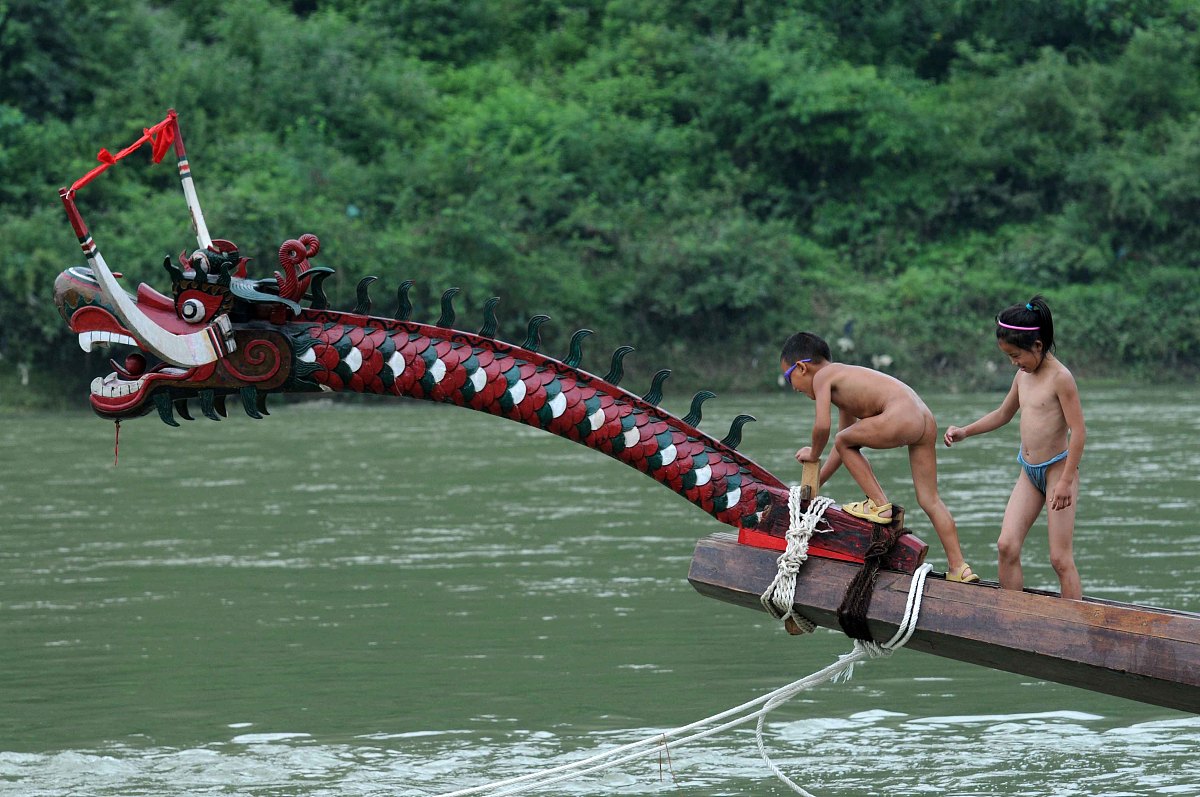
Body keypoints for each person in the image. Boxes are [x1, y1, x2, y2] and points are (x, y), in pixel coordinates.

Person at [781, 331, 979, 583]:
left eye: (789, 379)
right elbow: (843, 445)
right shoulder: (844, 383)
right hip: (924, 418)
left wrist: (813, 452)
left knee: (844, 440)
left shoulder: (823, 377)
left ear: (801, 367)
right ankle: (959, 567)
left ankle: (879, 505)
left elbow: (823, 429)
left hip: (900, 413)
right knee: (930, 499)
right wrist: (816, 482)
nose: (794, 389)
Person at [943, 296, 1085, 600]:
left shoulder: (1061, 379)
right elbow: (1002, 414)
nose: (1014, 362)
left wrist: (1065, 481)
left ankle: (1074, 629)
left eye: (1016, 354)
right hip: (1029, 471)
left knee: (1059, 559)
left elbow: (1079, 432)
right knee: (1006, 545)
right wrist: (965, 431)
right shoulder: (1022, 376)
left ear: (1037, 345)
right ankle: (1011, 617)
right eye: (1008, 356)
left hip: (1058, 472)